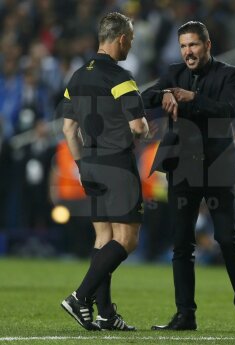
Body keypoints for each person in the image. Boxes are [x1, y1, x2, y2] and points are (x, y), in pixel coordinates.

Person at [142, 21, 235, 333]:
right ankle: (185, 315)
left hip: (217, 167)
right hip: (182, 168)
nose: (187, 52)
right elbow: (145, 97)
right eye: (183, 46)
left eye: (193, 45)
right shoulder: (172, 74)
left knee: (227, 239)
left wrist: (191, 97)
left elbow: (228, 110)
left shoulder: (230, 74)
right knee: (181, 243)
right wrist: (165, 93)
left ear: (208, 46)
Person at [60, 12, 150, 331]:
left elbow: (69, 129)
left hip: (91, 165)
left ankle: (106, 314)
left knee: (103, 239)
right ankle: (79, 297)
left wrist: (82, 165)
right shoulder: (119, 77)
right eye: (132, 40)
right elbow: (138, 126)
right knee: (128, 239)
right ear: (122, 39)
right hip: (118, 165)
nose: (131, 46)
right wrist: (143, 132)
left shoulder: (76, 76)